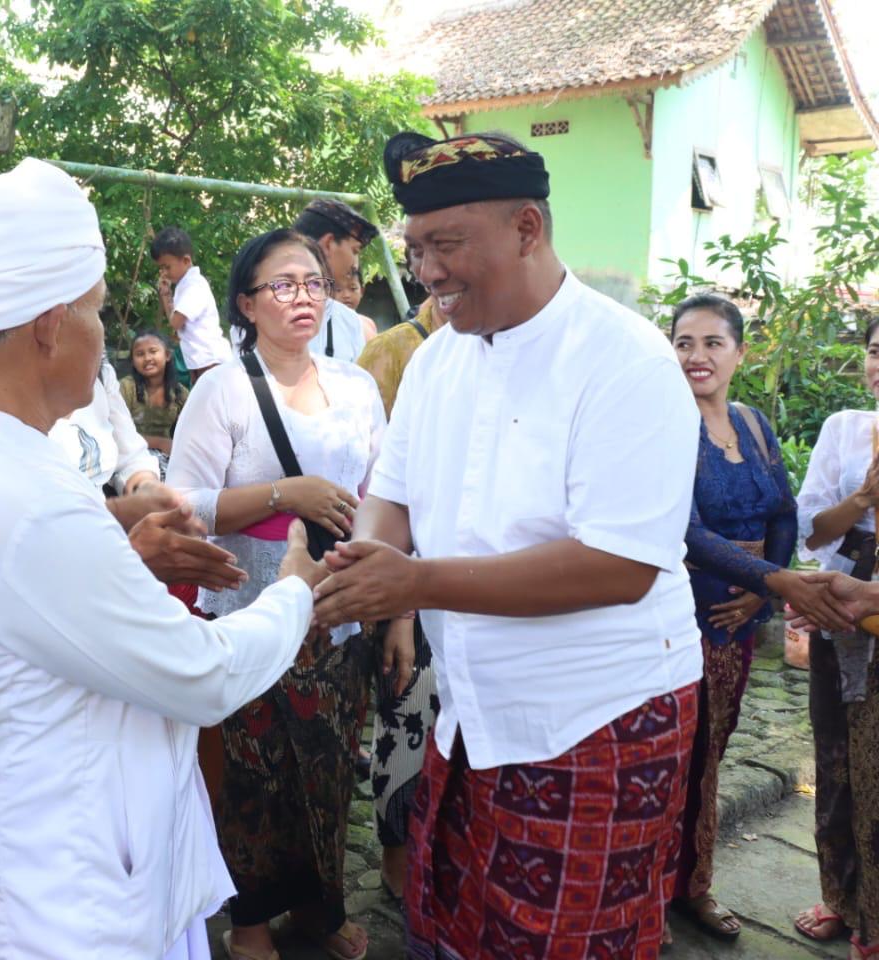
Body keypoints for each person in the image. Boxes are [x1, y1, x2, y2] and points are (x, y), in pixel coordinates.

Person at [0, 158, 326, 959]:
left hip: (23, 873)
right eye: (97, 310)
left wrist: (120, 540)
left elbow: (32, 600)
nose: (106, 336)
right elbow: (201, 675)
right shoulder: (28, 500)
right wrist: (295, 592)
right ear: (50, 326)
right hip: (53, 909)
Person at [313, 130, 717, 959]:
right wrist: (359, 568)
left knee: (571, 940)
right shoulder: (437, 362)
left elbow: (618, 566)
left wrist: (412, 584)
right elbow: (391, 496)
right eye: (416, 249)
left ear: (527, 228)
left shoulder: (626, 359)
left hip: (596, 714)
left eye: (447, 244)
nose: (427, 272)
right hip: (473, 709)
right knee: (457, 927)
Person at [167, 227, 385, 960]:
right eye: (284, 284)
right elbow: (185, 505)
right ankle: (251, 923)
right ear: (246, 303)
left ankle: (320, 910)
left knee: (328, 771)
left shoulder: (355, 386)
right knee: (254, 778)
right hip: (251, 613)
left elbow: (383, 494)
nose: (304, 297)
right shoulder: (223, 389)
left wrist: (391, 605)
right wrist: (285, 494)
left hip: (338, 614)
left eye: (315, 282)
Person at [669, 292, 814, 943]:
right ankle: (649, 894)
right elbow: (689, 531)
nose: (696, 356)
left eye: (712, 343)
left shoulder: (752, 424)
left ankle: (693, 884)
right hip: (683, 618)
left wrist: (761, 596)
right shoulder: (666, 424)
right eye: (684, 343)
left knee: (711, 756)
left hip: (740, 622)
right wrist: (772, 581)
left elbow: (783, 511)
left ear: (740, 353)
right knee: (672, 760)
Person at [793, 315, 879, 960]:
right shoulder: (844, 428)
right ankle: (840, 897)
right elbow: (812, 530)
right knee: (835, 755)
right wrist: (863, 499)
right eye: (876, 350)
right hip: (839, 607)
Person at [351, 285, 441, 903]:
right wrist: (399, 607)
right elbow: (383, 484)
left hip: (480, 588)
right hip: (406, 572)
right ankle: (398, 860)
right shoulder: (398, 353)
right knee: (406, 718)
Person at [292, 199, 378, 363]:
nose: (356, 264)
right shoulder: (267, 311)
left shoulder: (350, 323)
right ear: (328, 244)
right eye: (355, 251)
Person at [154, 225, 231, 382]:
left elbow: (175, 322)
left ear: (186, 260)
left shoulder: (194, 286)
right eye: (161, 268)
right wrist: (166, 294)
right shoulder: (184, 285)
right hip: (199, 360)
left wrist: (166, 297)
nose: (164, 273)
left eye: (167, 267)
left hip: (210, 359)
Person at [121, 329, 190, 479]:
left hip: (167, 457)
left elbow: (194, 429)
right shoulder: (126, 388)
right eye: (140, 354)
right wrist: (160, 443)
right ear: (133, 360)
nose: (147, 358)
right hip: (131, 457)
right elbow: (117, 434)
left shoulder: (179, 393)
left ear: (167, 355)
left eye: (153, 351)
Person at [336, 268, 377, 341]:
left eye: (353, 288)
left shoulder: (369, 323)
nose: (346, 295)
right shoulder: (323, 327)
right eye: (338, 290)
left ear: (362, 291)